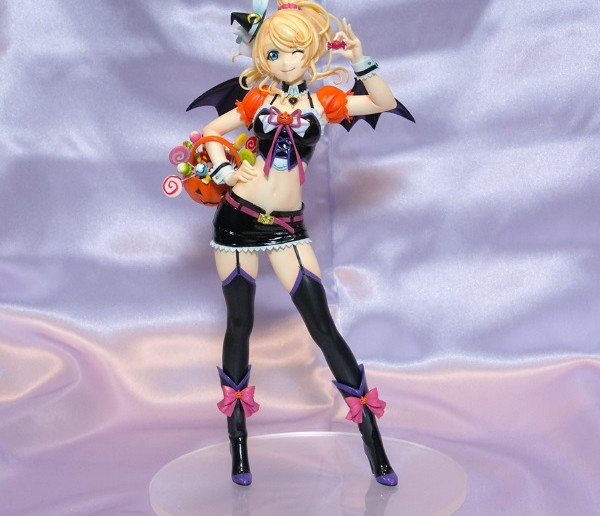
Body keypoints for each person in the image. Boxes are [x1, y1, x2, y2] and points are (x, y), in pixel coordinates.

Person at [192, 0, 413, 487]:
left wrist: (359, 60)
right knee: (240, 325)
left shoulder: (323, 103)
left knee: (324, 329)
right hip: (236, 221)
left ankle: (375, 447)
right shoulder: (255, 100)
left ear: (310, 53)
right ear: (263, 56)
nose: (286, 61)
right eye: (274, 53)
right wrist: (223, 168)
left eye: (294, 51)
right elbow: (210, 131)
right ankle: (239, 449)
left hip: (288, 227)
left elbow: (381, 101)